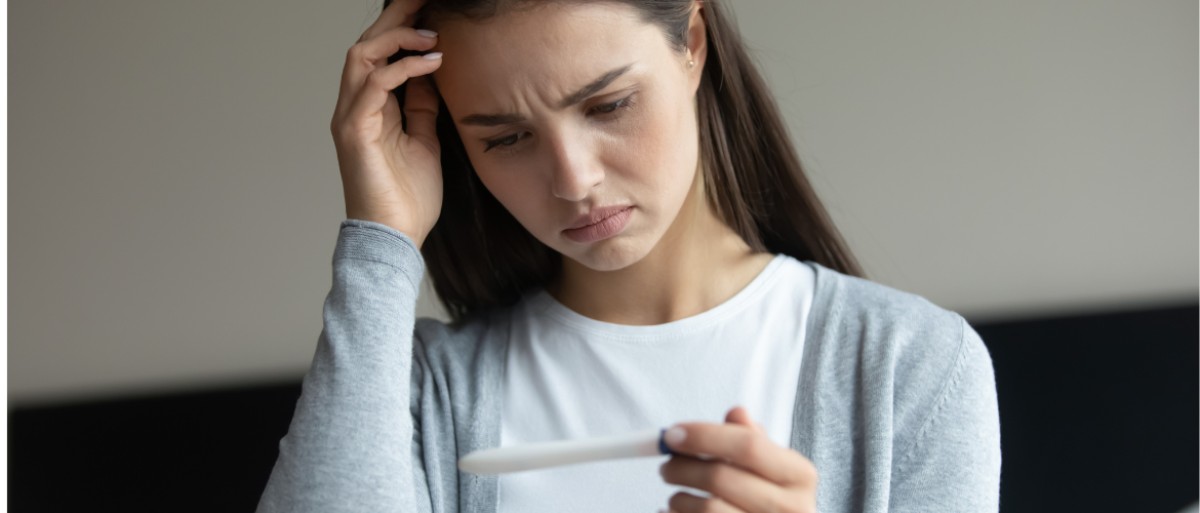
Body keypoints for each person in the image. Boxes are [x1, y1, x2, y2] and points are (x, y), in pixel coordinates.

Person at [257, 0, 1001, 511]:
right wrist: (380, 242)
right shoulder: (421, 393)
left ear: (692, 45)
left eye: (608, 105)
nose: (574, 180)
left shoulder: (911, 367)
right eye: (506, 137)